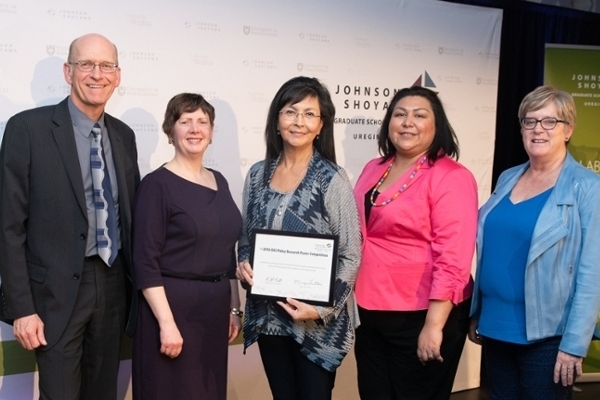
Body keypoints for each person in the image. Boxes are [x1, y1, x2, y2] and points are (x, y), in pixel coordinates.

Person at [0, 33, 140, 400]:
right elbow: (8, 225)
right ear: (68, 71)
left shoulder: (124, 137)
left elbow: (130, 216)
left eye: (107, 65)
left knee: (102, 393)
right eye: (86, 64)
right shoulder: (26, 129)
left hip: (112, 287)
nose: (97, 74)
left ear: (118, 75)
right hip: (54, 295)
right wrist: (21, 307)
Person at [469, 85, 600, 399]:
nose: (538, 129)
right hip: (496, 327)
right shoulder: (508, 177)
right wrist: (478, 311)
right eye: (530, 121)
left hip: (549, 338)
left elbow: (592, 275)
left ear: (568, 130)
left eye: (549, 121)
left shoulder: (588, 187)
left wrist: (574, 345)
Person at [236, 76, 361, 400]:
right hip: (269, 320)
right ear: (277, 120)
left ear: (321, 125)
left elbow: (351, 254)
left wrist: (321, 309)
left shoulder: (332, 179)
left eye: (309, 114)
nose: (299, 122)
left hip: (316, 326)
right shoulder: (257, 175)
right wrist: (243, 263)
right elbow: (247, 238)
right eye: (291, 112)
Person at [353, 86, 478, 399]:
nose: (407, 122)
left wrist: (434, 326)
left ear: (436, 126)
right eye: (399, 114)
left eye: (419, 115)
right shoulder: (374, 168)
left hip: (423, 314)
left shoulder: (451, 176)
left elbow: (454, 258)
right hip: (371, 310)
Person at [131, 93, 242, 400]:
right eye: (185, 121)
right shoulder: (156, 185)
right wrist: (167, 324)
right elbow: (145, 262)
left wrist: (233, 308)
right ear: (171, 131)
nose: (195, 129)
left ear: (212, 131)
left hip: (213, 311)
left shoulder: (219, 180)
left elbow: (227, 250)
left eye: (202, 122)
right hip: (172, 310)